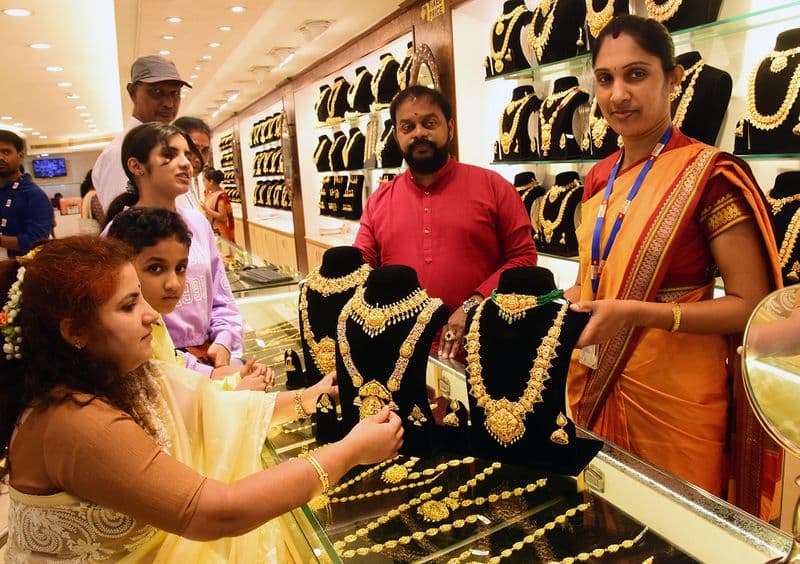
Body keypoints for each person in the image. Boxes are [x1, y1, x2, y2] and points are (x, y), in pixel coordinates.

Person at [0, 236, 403, 561]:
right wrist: (349, 452)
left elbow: (214, 408)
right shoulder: (75, 421)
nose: (151, 315)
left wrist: (308, 397)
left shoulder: (123, 374)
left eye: (140, 296)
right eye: (128, 305)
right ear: (75, 332)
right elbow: (218, 511)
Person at [564, 15, 781, 512]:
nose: (618, 94)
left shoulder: (710, 176)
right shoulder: (598, 178)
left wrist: (636, 313)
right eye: (605, 79)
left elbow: (751, 306)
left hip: (677, 403)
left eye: (636, 74)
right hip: (595, 380)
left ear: (674, 78)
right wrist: (549, 305)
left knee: (678, 529)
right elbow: (589, 283)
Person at [354, 85, 538, 359]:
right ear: (396, 136)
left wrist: (473, 305)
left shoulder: (493, 187)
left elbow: (523, 257)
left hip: (483, 347)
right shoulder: (379, 200)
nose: (419, 133)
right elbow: (361, 266)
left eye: (430, 123)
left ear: (449, 128)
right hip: (401, 353)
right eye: (408, 127)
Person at [105, 122, 244, 371]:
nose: (186, 164)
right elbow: (120, 321)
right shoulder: (118, 234)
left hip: (211, 354)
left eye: (187, 155)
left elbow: (221, 298)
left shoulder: (198, 224)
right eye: (169, 155)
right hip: (158, 365)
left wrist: (224, 341)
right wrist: (196, 369)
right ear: (136, 166)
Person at [108, 206, 267, 390]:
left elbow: (175, 364)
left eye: (181, 268)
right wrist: (235, 390)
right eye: (155, 268)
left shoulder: (155, 321)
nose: (173, 284)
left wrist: (229, 376)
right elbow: (162, 393)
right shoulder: (123, 335)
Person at [92, 55, 191, 210]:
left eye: (175, 93)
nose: (169, 103)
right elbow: (124, 220)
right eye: (156, 92)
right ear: (132, 92)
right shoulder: (119, 153)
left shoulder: (172, 146)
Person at [0, 130, 53, 259]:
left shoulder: (34, 195)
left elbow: (37, 240)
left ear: (20, 156)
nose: (0, 157)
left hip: (19, 267)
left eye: (6, 152)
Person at [174, 116, 212, 210]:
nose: (199, 158)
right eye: (193, 149)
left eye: (204, 151)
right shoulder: (166, 192)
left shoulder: (188, 186)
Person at [201, 167, 235, 242]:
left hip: (220, 232)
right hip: (213, 230)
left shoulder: (220, 196)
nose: (203, 183)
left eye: (204, 181)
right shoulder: (210, 193)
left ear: (211, 182)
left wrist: (207, 209)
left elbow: (223, 217)